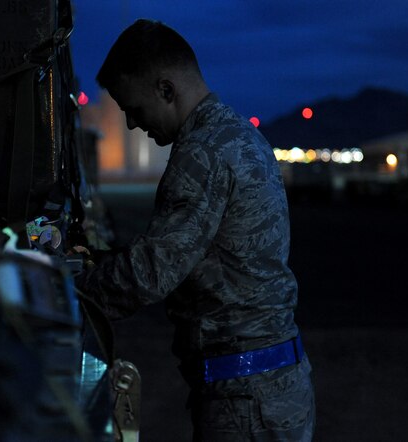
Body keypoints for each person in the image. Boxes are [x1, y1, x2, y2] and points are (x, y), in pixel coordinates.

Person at [76, 19, 315, 440]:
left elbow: (152, 270)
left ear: (166, 90)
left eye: (134, 109)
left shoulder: (202, 152)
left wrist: (70, 292)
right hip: (272, 386)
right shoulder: (239, 135)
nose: (132, 125)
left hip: (245, 399)